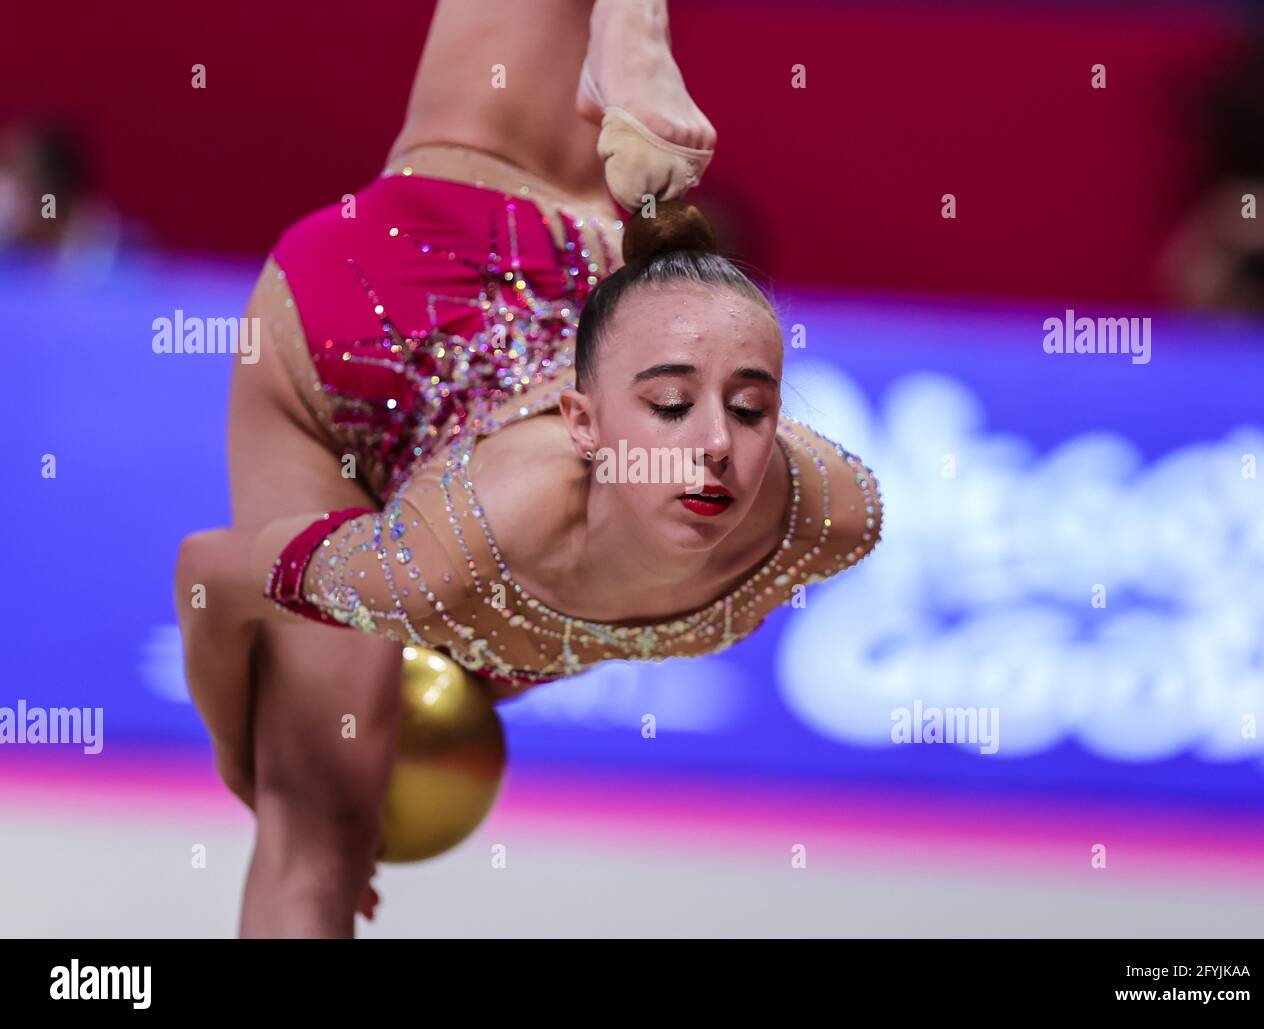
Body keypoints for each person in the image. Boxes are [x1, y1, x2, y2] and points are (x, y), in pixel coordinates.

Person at [175, 0, 880, 939]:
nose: (719, 444)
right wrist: (248, 766)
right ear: (589, 426)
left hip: (583, 320)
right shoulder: (441, 561)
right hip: (369, 293)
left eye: (753, 412)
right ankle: (629, 33)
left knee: (324, 817)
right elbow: (209, 574)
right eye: (679, 413)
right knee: (314, 829)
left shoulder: (826, 510)